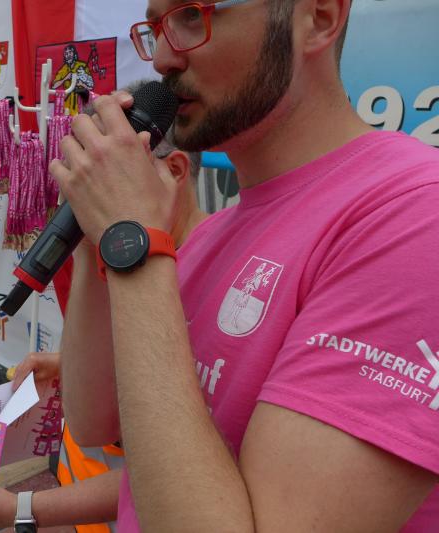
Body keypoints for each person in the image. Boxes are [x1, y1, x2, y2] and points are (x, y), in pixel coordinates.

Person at [35, 0, 439, 531]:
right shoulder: (214, 233)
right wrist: (98, 232)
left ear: (318, 17)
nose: (161, 58)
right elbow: (94, 420)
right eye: (154, 28)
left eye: (191, 15)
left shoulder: (415, 215)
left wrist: (131, 241)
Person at [0, 125, 207, 532]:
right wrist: (67, 362)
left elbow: (178, 472)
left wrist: (21, 508)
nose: (91, 191)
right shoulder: (121, 253)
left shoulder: (210, 274)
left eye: (109, 170)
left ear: (173, 170)